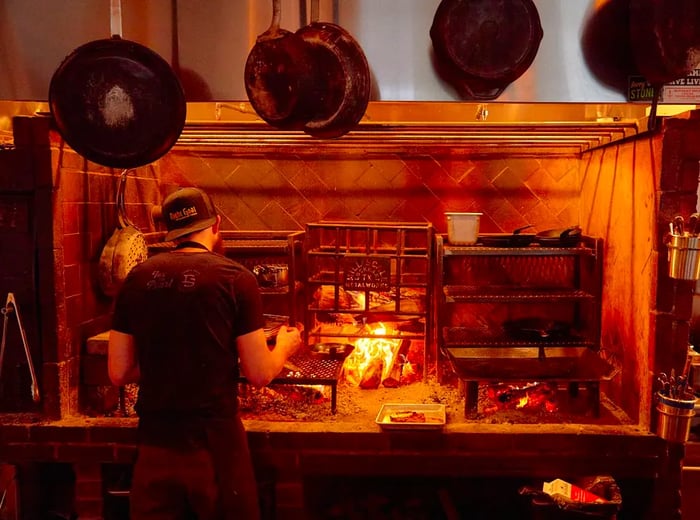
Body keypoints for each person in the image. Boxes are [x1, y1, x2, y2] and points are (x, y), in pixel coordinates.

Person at [108, 186, 302, 520]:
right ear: (216, 225)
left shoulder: (136, 279)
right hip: (214, 447)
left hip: (155, 444)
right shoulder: (235, 279)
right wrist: (283, 346)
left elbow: (119, 372)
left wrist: (168, 362)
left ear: (171, 232)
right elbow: (259, 374)